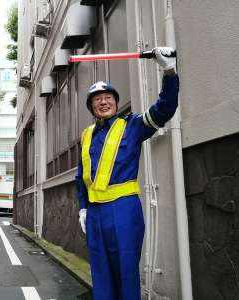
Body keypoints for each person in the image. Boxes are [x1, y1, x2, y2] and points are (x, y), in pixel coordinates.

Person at [75, 47, 179, 300]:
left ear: (116, 102)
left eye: (108, 97)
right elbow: (81, 178)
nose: (103, 101)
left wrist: (169, 71)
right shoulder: (86, 136)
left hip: (123, 210)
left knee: (125, 272)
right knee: (100, 273)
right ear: (91, 107)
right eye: (97, 99)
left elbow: (165, 108)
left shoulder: (132, 126)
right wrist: (83, 208)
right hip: (95, 214)